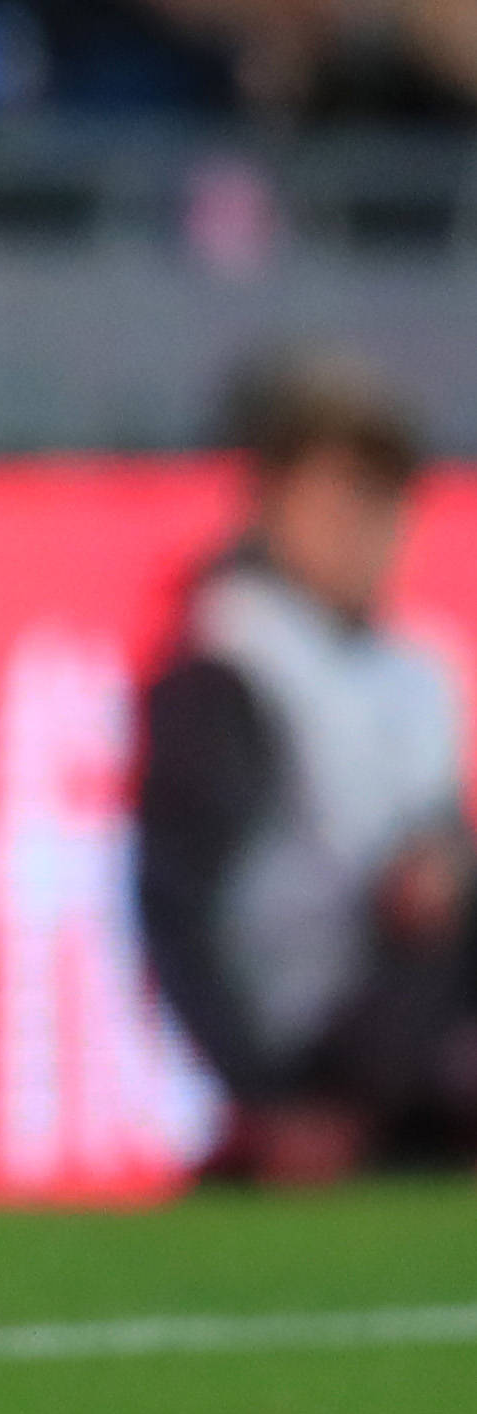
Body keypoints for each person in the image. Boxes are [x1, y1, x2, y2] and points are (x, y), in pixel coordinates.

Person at [138, 356, 474, 1183]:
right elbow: (174, 909)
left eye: (382, 499)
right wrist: (263, 1101)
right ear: (274, 501)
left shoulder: (421, 669)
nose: (364, 528)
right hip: (310, 1041)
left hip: (414, 1019)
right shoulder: (231, 665)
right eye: (340, 498)